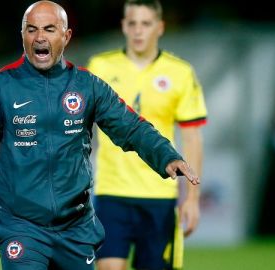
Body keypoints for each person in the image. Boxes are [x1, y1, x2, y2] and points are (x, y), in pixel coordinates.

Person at [0, 1, 199, 270]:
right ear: (23, 36)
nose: (40, 37)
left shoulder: (88, 86)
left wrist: (166, 155)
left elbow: (131, 127)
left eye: (50, 29)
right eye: (32, 29)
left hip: (77, 229)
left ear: (66, 36)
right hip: (22, 228)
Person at [87, 0, 207, 269]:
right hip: (111, 192)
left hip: (160, 195)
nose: (138, 31)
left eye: (146, 23)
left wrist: (192, 199)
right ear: (123, 27)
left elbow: (192, 137)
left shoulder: (180, 72)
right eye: (132, 23)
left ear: (160, 27)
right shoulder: (101, 67)